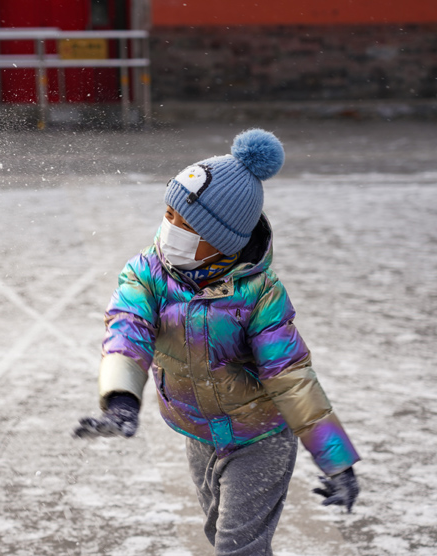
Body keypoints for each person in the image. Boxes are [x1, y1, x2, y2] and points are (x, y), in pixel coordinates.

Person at [73, 129, 360, 555]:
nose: (170, 230)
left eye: (185, 225)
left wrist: (336, 459)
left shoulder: (259, 293)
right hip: (198, 431)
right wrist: (121, 400)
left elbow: (290, 376)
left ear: (223, 240)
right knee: (217, 534)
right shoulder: (147, 273)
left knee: (237, 546)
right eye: (169, 214)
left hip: (261, 438)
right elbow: (127, 327)